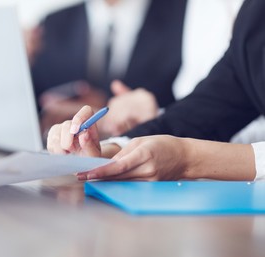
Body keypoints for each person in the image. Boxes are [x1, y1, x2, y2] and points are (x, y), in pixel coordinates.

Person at [47, 0, 265, 182]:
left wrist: (189, 157)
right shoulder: (254, 15)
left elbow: (184, 151)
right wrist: (107, 151)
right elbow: (203, 111)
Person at [31, 0, 187, 133]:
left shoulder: (187, 17)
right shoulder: (52, 25)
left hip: (154, 152)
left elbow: (197, 108)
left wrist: (106, 108)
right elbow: (34, 108)